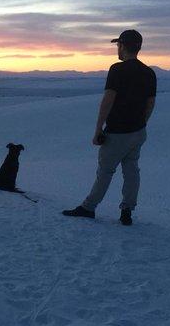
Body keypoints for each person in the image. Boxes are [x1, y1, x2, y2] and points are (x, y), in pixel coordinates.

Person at [63, 30, 156, 225]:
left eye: (118, 45)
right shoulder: (149, 73)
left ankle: (89, 208)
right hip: (138, 132)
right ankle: (127, 211)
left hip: (117, 133)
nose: (117, 49)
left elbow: (108, 99)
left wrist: (98, 129)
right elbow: (150, 104)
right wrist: (141, 123)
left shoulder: (117, 69)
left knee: (105, 171)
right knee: (131, 171)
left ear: (122, 46)